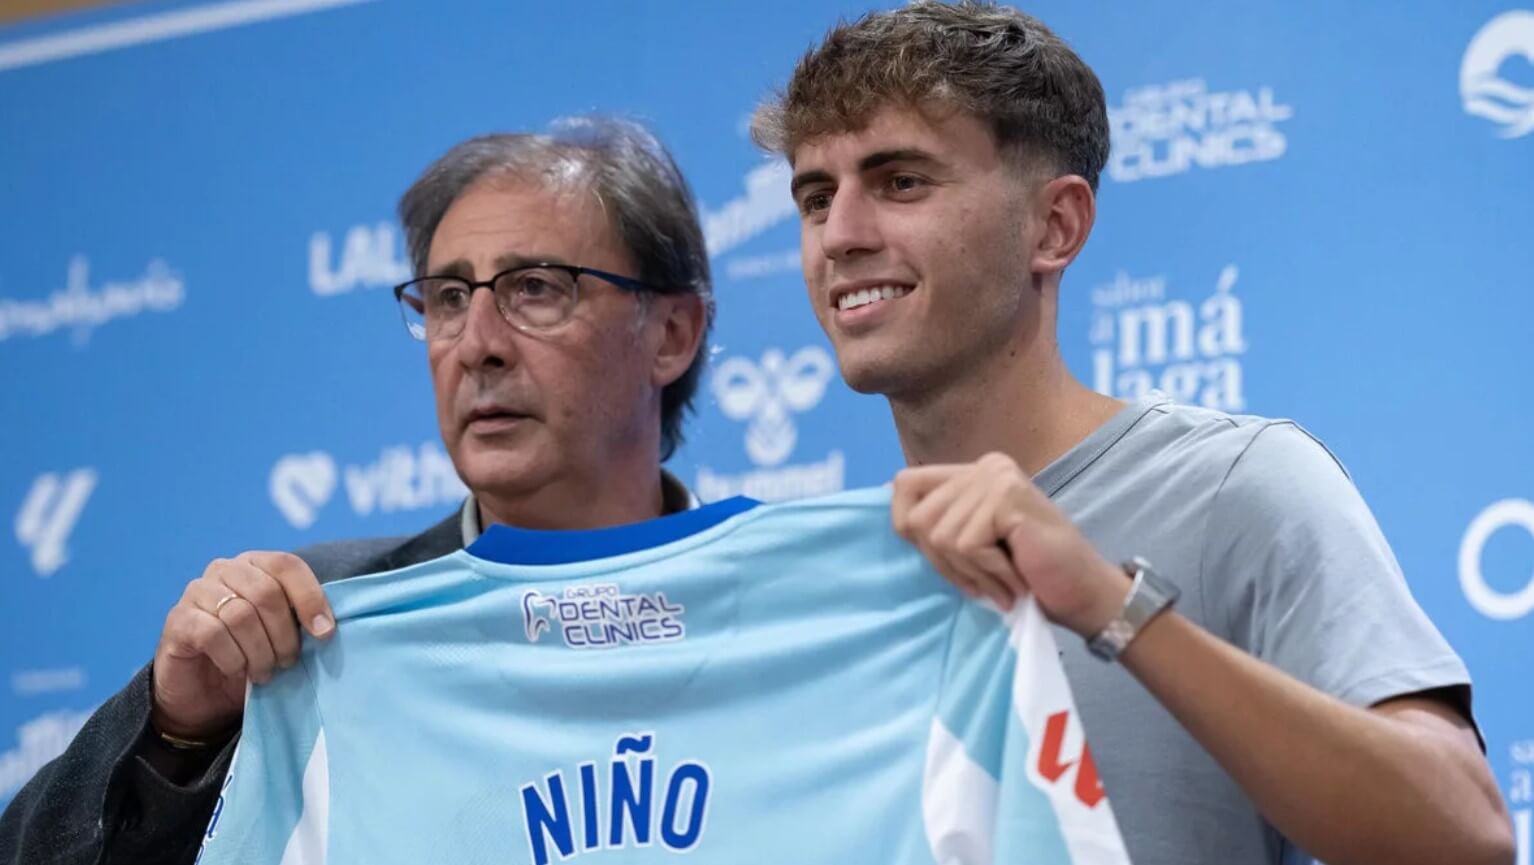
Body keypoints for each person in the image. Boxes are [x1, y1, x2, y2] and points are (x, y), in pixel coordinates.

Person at [750, 3, 1515, 865]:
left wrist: (1113, 606)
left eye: (901, 182)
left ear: (1056, 226)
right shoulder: (821, 583)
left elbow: (1466, 835)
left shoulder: (1237, 485)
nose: (841, 236)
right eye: (816, 198)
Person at [0, 117, 712, 865]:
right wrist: (174, 735)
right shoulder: (311, 625)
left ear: (670, 334)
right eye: (448, 298)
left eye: (534, 288)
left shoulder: (781, 610)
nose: (477, 344)